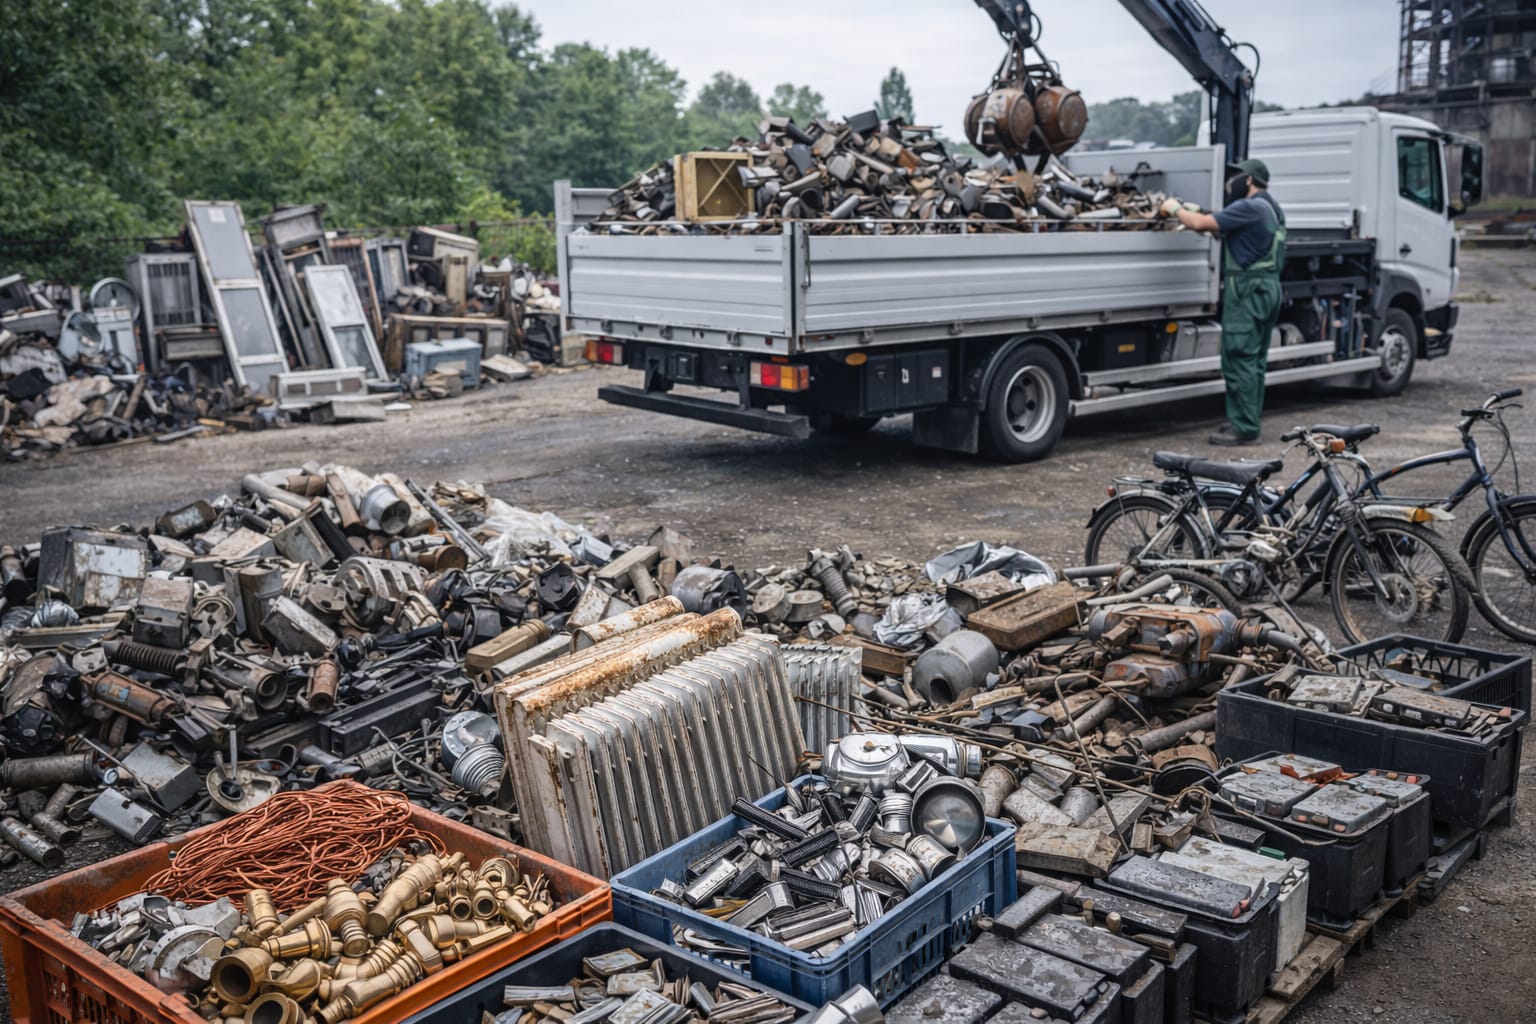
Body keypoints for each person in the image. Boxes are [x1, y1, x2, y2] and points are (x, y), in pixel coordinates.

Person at [1163, 158, 1287, 447]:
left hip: (1247, 290)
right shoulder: (1271, 208)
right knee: (1255, 361)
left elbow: (1199, 223)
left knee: (1239, 358)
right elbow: (1230, 230)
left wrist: (1175, 209)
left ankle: (1244, 428)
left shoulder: (1248, 207)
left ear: (1248, 181)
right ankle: (1246, 420)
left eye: (1236, 178)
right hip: (1268, 287)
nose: (1230, 184)